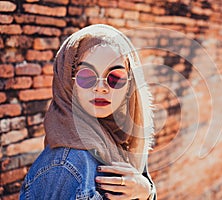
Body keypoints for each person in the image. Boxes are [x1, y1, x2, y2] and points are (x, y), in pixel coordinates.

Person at [19, 24, 156, 200]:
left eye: (115, 78)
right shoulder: (66, 166)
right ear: (68, 83)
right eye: (86, 77)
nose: (101, 88)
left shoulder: (121, 142)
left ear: (130, 85)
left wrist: (146, 191)